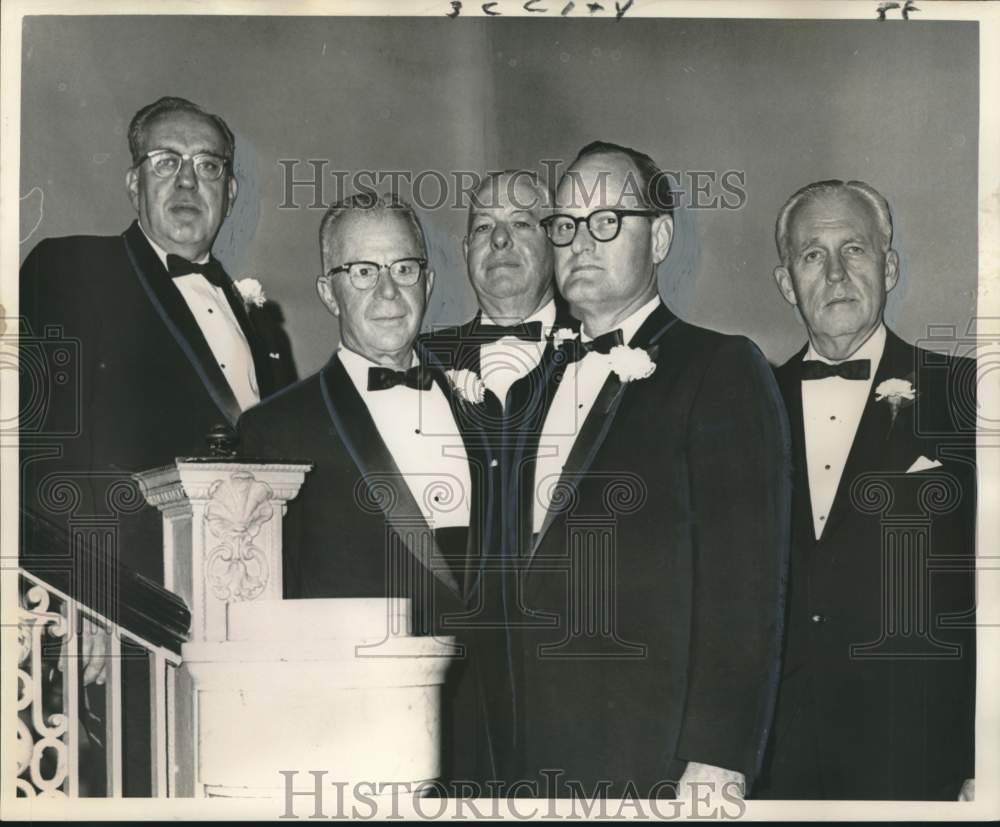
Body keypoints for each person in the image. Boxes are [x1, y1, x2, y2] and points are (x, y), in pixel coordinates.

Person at [495, 141, 791, 798]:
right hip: (531, 760)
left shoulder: (718, 369)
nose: (580, 242)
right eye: (566, 224)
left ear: (659, 238)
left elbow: (745, 587)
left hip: (655, 762)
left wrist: (718, 757)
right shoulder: (526, 390)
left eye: (606, 221)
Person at [236, 193, 496, 786]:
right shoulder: (276, 429)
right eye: (362, 271)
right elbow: (267, 615)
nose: (388, 292)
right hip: (361, 735)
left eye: (403, 268)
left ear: (428, 281)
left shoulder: (488, 409)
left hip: (494, 738)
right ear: (328, 292)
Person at [755, 179, 976, 800]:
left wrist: (983, 756)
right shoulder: (747, 406)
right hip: (778, 763)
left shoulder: (966, 395)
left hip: (920, 754)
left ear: (890, 267)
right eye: (812, 255)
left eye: (854, 249)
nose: (835, 273)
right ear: (786, 284)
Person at [19, 95, 294, 586]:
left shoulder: (262, 324)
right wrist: (91, 599)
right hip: (122, 602)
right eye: (166, 162)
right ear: (134, 184)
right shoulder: (73, 269)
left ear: (230, 192)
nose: (187, 181)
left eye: (207, 165)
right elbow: (45, 459)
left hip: (249, 594)